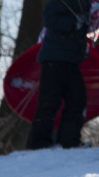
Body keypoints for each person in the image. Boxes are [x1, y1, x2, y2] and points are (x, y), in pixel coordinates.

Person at [28, 0, 93, 150]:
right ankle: (39, 143)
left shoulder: (84, 4)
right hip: (54, 58)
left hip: (72, 60)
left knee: (77, 99)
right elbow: (49, 18)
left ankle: (69, 141)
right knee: (49, 102)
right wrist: (71, 23)